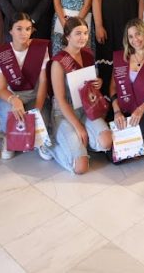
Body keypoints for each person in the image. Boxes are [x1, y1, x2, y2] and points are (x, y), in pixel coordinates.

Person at [49, 17, 112, 174]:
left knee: (106, 142)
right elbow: (61, 99)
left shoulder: (88, 55)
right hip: (64, 112)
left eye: (85, 33)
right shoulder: (58, 62)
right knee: (80, 167)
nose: (83, 37)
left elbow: (88, 84)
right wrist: (78, 127)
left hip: (85, 108)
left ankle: (78, 143)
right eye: (78, 33)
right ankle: (51, 146)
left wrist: (99, 82)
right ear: (67, 36)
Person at [0, 13, 52, 161]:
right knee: (10, 116)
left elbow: (44, 81)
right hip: (10, 98)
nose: (24, 33)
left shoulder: (40, 48)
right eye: (19, 28)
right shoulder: (2, 53)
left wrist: (37, 108)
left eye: (28, 29)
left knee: (40, 119)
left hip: (34, 95)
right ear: (10, 31)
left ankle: (41, 140)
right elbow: (1, 89)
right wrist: (14, 100)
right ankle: (9, 138)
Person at [110, 18, 144, 155]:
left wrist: (142, 108)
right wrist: (117, 111)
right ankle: (136, 142)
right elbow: (112, 88)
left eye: (138, 34)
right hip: (123, 106)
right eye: (131, 36)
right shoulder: (121, 58)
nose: (135, 39)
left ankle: (142, 140)